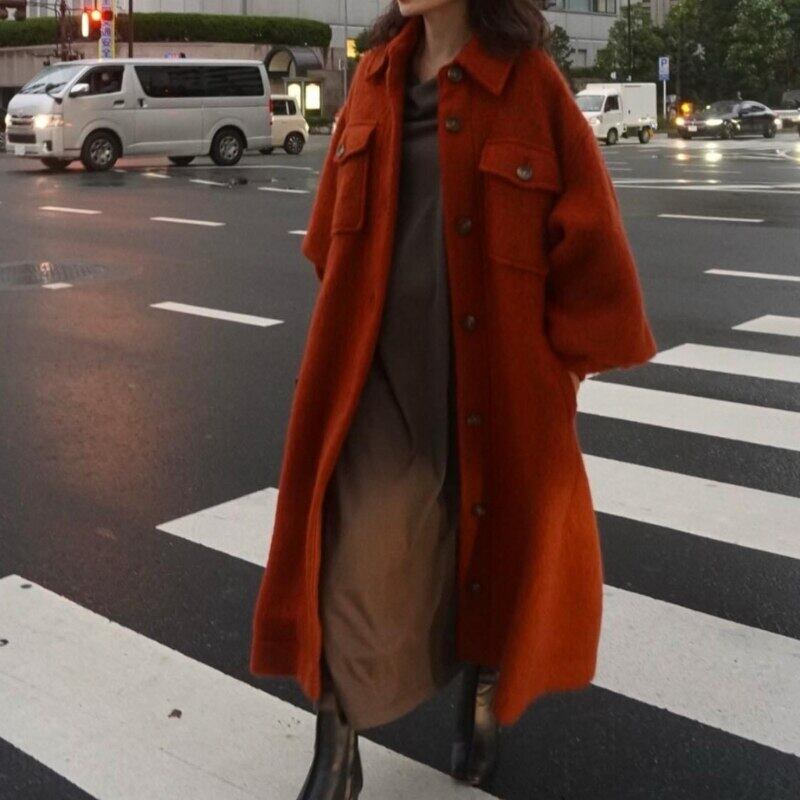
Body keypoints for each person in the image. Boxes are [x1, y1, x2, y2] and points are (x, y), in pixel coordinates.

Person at [249, 2, 658, 798]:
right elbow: (329, 238)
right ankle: (336, 746)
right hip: (378, 376)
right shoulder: (374, 79)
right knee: (349, 549)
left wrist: (559, 369)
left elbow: (591, 241)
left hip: (497, 377)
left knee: (496, 547)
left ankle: (482, 696)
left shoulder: (532, 85)